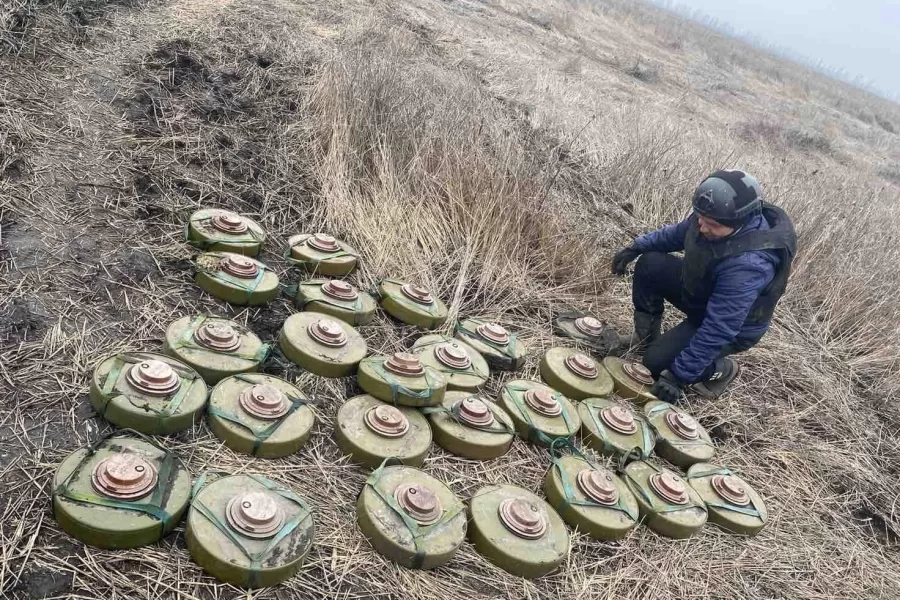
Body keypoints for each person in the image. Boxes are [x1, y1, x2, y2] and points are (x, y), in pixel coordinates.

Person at [611, 170, 797, 402]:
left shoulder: (749, 265)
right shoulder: (711, 217)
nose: (702, 227)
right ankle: (645, 335)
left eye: (712, 225)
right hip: (704, 294)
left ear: (739, 222)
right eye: (700, 218)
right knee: (651, 262)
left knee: (655, 364)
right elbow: (676, 234)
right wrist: (637, 246)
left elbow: (720, 327)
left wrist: (679, 376)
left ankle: (722, 370)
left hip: (734, 328)